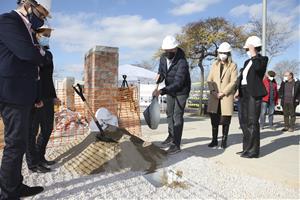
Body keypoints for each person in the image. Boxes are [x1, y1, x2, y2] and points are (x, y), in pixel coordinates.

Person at [0, 0, 52, 199]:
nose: (43, 18)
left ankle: (15, 185)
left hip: (24, 94)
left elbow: (35, 64)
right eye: (41, 13)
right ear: (28, 4)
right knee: (14, 145)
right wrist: (40, 53)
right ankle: (8, 194)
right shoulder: (8, 21)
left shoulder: (28, 29)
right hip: (11, 93)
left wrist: (37, 95)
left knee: (19, 144)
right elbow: (28, 54)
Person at [26, 23, 60, 173]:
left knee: (47, 128)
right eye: (45, 35)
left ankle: (40, 156)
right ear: (36, 34)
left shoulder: (48, 53)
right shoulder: (29, 51)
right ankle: (33, 163)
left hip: (47, 97)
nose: (47, 38)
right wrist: (33, 98)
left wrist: (53, 96)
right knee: (32, 131)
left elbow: (48, 77)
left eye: (49, 36)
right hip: (34, 97)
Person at [153, 35, 191, 154]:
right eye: (166, 51)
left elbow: (178, 82)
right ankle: (171, 136)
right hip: (170, 90)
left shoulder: (182, 62)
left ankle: (176, 144)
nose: (167, 53)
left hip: (181, 91)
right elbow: (162, 72)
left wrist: (162, 91)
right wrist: (159, 78)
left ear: (175, 49)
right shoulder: (163, 58)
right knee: (169, 114)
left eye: (169, 51)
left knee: (177, 116)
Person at [236, 36, 268, 158]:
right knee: (244, 122)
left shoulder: (262, 59)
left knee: (252, 122)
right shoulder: (246, 62)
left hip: (253, 93)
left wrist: (254, 53)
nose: (247, 51)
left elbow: (258, 69)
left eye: (248, 48)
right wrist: (237, 90)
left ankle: (253, 151)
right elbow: (243, 78)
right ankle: (246, 148)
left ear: (254, 47)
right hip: (243, 92)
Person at [207, 42, 237, 149]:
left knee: (225, 120)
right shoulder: (214, 64)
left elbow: (233, 81)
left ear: (228, 53)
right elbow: (209, 80)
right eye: (221, 52)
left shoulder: (233, 66)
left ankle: (224, 141)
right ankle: (214, 140)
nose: (222, 55)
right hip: (214, 97)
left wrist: (223, 93)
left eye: (224, 53)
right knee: (214, 119)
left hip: (226, 97)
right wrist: (214, 92)